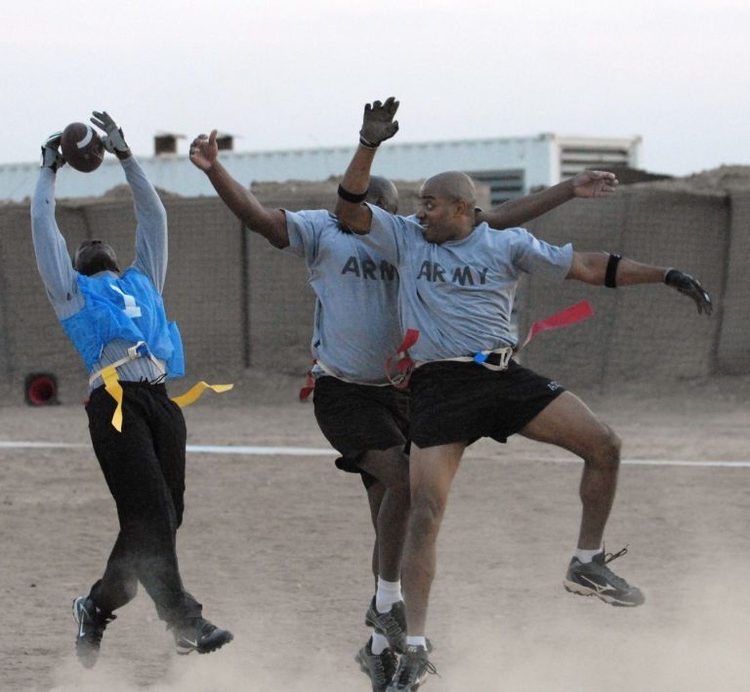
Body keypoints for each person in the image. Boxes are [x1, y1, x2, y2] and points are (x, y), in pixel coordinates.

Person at [188, 121, 621, 691]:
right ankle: (389, 611)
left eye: (406, 213)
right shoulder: (326, 230)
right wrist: (216, 168)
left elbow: (493, 221)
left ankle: (378, 649)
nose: (400, 220)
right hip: (345, 390)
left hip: (408, 390)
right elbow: (261, 219)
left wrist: (566, 190)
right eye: (379, 213)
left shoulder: (418, 237)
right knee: (410, 490)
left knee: (391, 521)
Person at [334, 98, 713, 691]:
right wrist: (369, 142)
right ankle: (412, 647)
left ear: (464, 208)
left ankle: (586, 563)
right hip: (441, 387)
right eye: (418, 204)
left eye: (430, 203)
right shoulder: (407, 239)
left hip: (505, 377)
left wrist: (666, 275)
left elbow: (590, 266)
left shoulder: (503, 243)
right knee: (425, 511)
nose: (420, 211)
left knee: (605, 444)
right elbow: (351, 206)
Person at [29, 110, 233, 669]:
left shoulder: (142, 282)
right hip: (115, 404)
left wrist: (125, 156)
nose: (92, 240)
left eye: (101, 239)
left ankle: (96, 607)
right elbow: (45, 228)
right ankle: (185, 622)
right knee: (147, 517)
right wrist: (49, 170)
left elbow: (155, 217)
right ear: (74, 265)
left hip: (162, 403)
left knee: (162, 522)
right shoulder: (71, 294)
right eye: (83, 242)